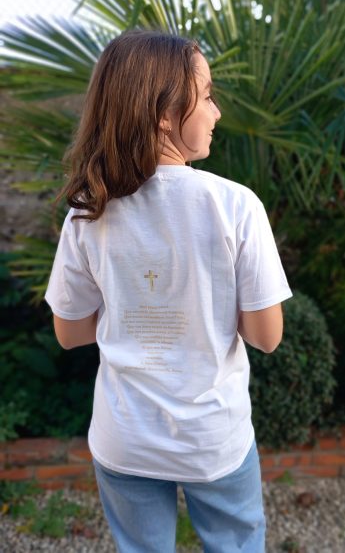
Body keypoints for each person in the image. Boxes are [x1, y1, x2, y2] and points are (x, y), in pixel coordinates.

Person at [45, 29, 292, 553]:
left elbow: (70, 333)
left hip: (125, 437)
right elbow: (267, 337)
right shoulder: (235, 206)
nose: (217, 112)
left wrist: (132, 312)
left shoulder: (89, 211)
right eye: (207, 96)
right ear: (164, 114)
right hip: (212, 439)